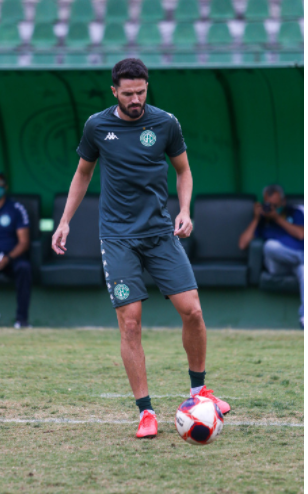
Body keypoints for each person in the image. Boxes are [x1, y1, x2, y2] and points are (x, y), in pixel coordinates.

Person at [52, 58, 230, 439]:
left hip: (160, 234)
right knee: (130, 323)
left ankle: (199, 394)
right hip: (116, 238)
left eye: (141, 92)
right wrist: (64, 220)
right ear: (114, 91)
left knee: (193, 310)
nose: (136, 99)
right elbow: (82, 174)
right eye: (128, 93)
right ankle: (146, 412)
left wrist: (184, 211)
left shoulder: (166, 123)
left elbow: (183, 170)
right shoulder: (97, 126)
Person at [238, 184, 304, 328]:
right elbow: (243, 244)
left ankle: (305, 318)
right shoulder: (262, 220)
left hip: (296, 261)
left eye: (275, 205)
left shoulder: (295, 212)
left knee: (305, 270)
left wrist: (277, 218)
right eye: (269, 204)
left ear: (283, 202)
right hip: (277, 264)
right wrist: (256, 218)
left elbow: (301, 234)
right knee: (270, 246)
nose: (272, 208)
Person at [0, 173, 32, 329]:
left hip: (11, 258)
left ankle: (22, 320)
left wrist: (7, 258)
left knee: (24, 268)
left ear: (5, 187)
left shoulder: (16, 209)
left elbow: (24, 242)